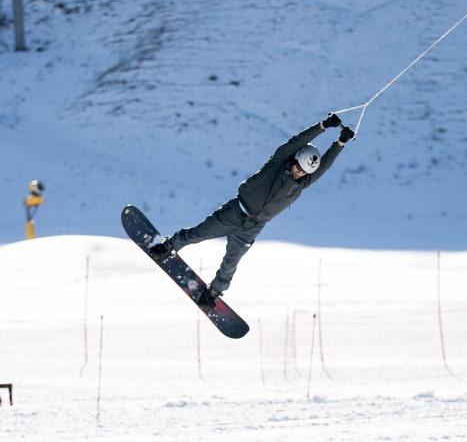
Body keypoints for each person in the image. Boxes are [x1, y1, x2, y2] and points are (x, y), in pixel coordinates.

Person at [150, 113, 354, 308]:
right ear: (295, 160)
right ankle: (169, 246)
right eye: (299, 167)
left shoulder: (301, 183)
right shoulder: (279, 161)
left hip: (253, 227)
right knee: (199, 233)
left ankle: (213, 293)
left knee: (231, 263)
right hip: (236, 211)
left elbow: (324, 166)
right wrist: (322, 126)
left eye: (304, 172)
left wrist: (340, 144)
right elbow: (297, 141)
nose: (300, 173)